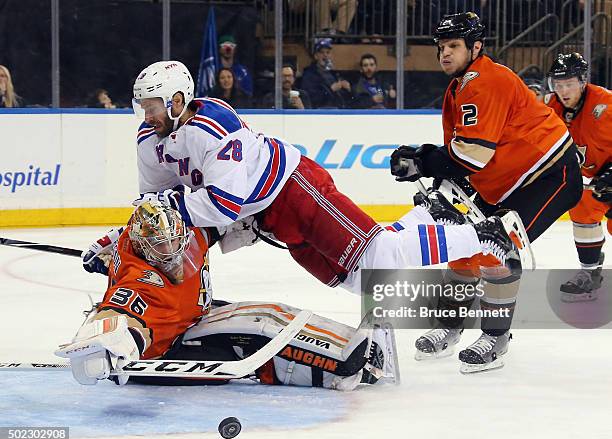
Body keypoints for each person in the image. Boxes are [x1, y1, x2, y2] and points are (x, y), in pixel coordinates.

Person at [83, 60, 525, 305]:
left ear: (179, 100)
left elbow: (223, 205)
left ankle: (483, 233)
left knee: (379, 255)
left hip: (294, 189)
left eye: (155, 105)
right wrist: (119, 239)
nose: (147, 114)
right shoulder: (149, 140)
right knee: (359, 282)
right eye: (143, 106)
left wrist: (166, 212)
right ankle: (436, 233)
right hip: (271, 218)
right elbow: (154, 206)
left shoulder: (212, 123)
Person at [390, 12, 583, 372]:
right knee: (463, 241)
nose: (445, 53)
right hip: (507, 179)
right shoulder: (461, 85)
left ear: (475, 47)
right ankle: (449, 327)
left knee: (498, 244)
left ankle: (496, 337)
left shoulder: (484, 79)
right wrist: (426, 160)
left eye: (454, 46)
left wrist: (424, 160)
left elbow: (473, 155)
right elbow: (465, 154)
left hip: (549, 175)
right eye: (442, 47)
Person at [58, 201, 398, 390]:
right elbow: (118, 317)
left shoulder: (183, 235)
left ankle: (349, 345)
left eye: (175, 240)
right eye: (161, 246)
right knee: (256, 335)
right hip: (167, 350)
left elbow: (213, 223)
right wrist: (104, 348)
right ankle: (346, 366)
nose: (173, 250)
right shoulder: (138, 283)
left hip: (192, 317)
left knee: (269, 312)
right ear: (144, 248)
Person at [544, 52, 612, 301]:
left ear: (583, 82)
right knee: (582, 212)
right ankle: (589, 274)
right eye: (558, 84)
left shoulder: (605, 105)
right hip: (591, 180)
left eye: (569, 83)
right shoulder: (552, 108)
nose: (563, 90)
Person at [300, 38, 353, 108]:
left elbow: (344, 99)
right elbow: (311, 98)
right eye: (322, 52)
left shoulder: (334, 74)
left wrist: (348, 90)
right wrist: (331, 90)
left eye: (328, 52)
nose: (325, 55)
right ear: (316, 56)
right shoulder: (309, 75)